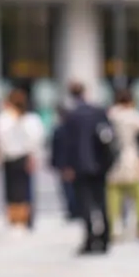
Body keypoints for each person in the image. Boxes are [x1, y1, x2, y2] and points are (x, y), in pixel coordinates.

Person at [55, 81, 113, 256]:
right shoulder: (98, 111)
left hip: (80, 166)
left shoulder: (71, 116)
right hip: (100, 165)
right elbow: (108, 137)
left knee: (85, 204)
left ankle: (89, 239)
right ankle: (105, 238)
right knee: (102, 202)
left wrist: (66, 166)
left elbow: (67, 143)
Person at [0, 88, 44, 229]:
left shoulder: (5, 119)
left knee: (13, 189)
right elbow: (36, 140)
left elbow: (0, 140)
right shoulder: (30, 119)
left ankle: (17, 219)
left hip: (13, 157)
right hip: (21, 157)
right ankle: (22, 218)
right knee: (23, 189)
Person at [106, 88, 139, 241]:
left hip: (113, 161)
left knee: (113, 197)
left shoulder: (109, 116)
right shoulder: (135, 117)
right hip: (132, 158)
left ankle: (114, 229)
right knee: (138, 197)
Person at [50, 105, 78, 221]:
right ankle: (75, 209)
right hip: (71, 163)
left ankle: (73, 209)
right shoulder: (72, 129)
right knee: (71, 188)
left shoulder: (60, 129)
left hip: (65, 163)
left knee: (68, 189)